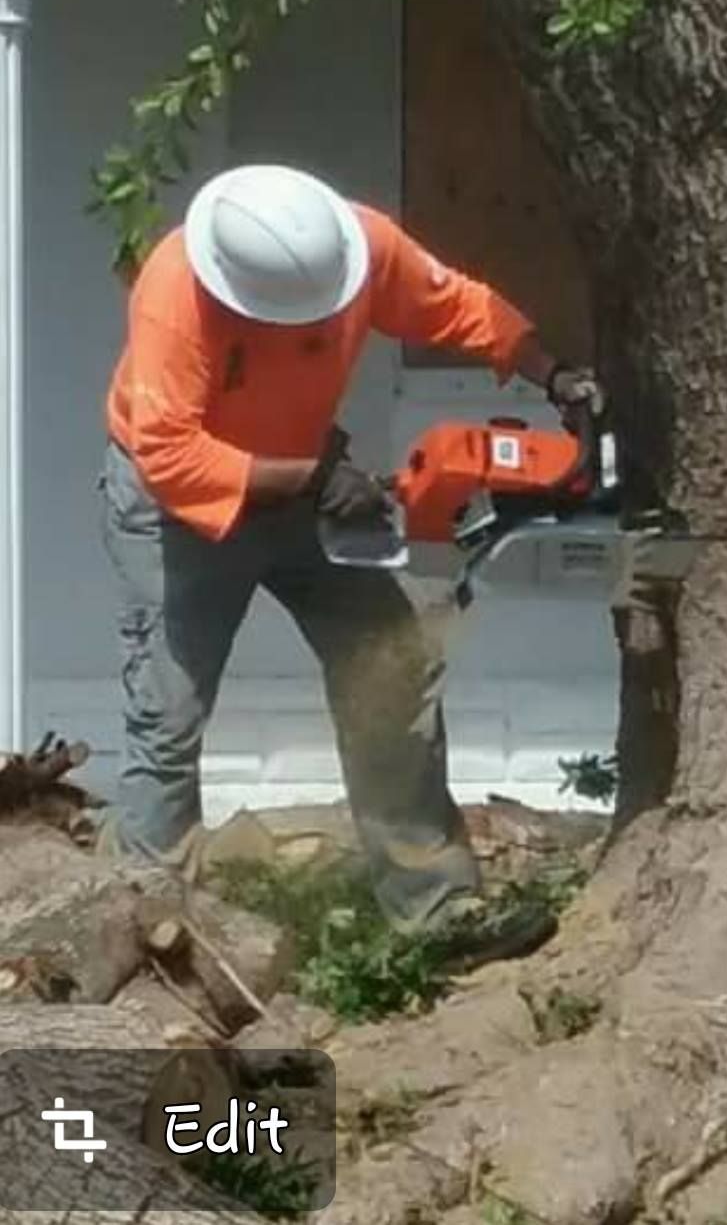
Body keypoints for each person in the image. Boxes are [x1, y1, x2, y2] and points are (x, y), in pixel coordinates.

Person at [96, 163, 601, 934]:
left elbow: (456, 306)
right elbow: (170, 457)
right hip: (176, 512)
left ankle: (436, 909)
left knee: (390, 668)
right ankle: (138, 936)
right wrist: (315, 476)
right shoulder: (176, 290)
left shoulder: (360, 245)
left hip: (302, 486)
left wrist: (552, 373)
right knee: (168, 718)